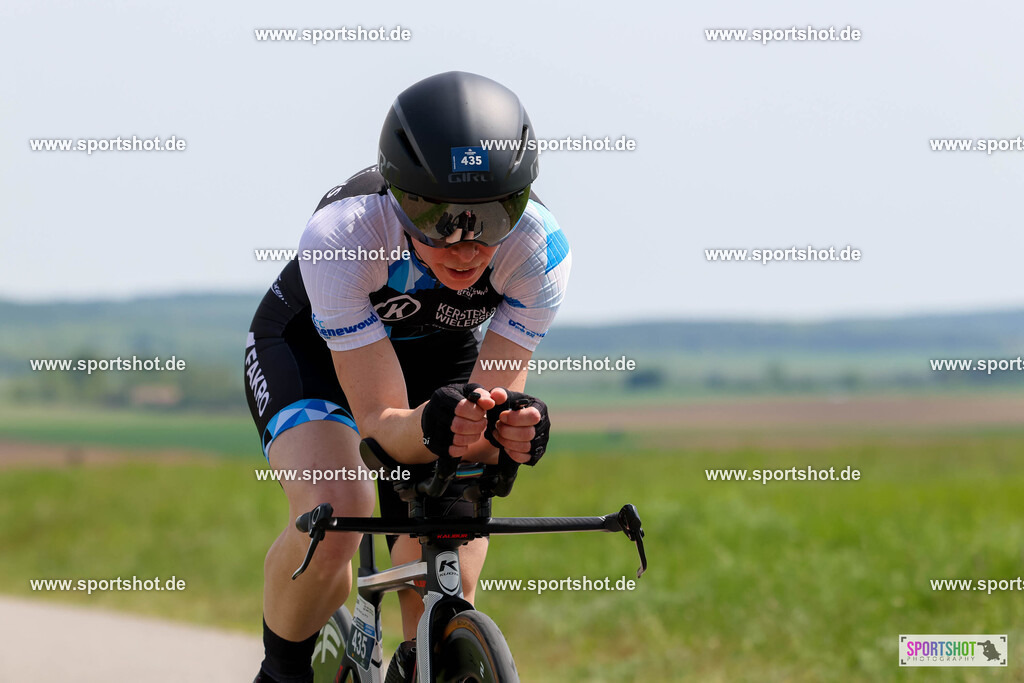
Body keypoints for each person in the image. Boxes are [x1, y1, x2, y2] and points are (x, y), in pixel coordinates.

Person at [244, 71, 571, 683]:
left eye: (494, 215)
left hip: (434, 358)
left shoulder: (540, 251)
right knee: (336, 509)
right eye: (440, 216)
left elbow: (483, 415)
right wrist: (438, 424)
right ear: (399, 196)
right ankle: (282, 673)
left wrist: (510, 429)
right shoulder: (344, 236)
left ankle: (425, 658)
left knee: (452, 516)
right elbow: (383, 425)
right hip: (310, 352)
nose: (466, 245)